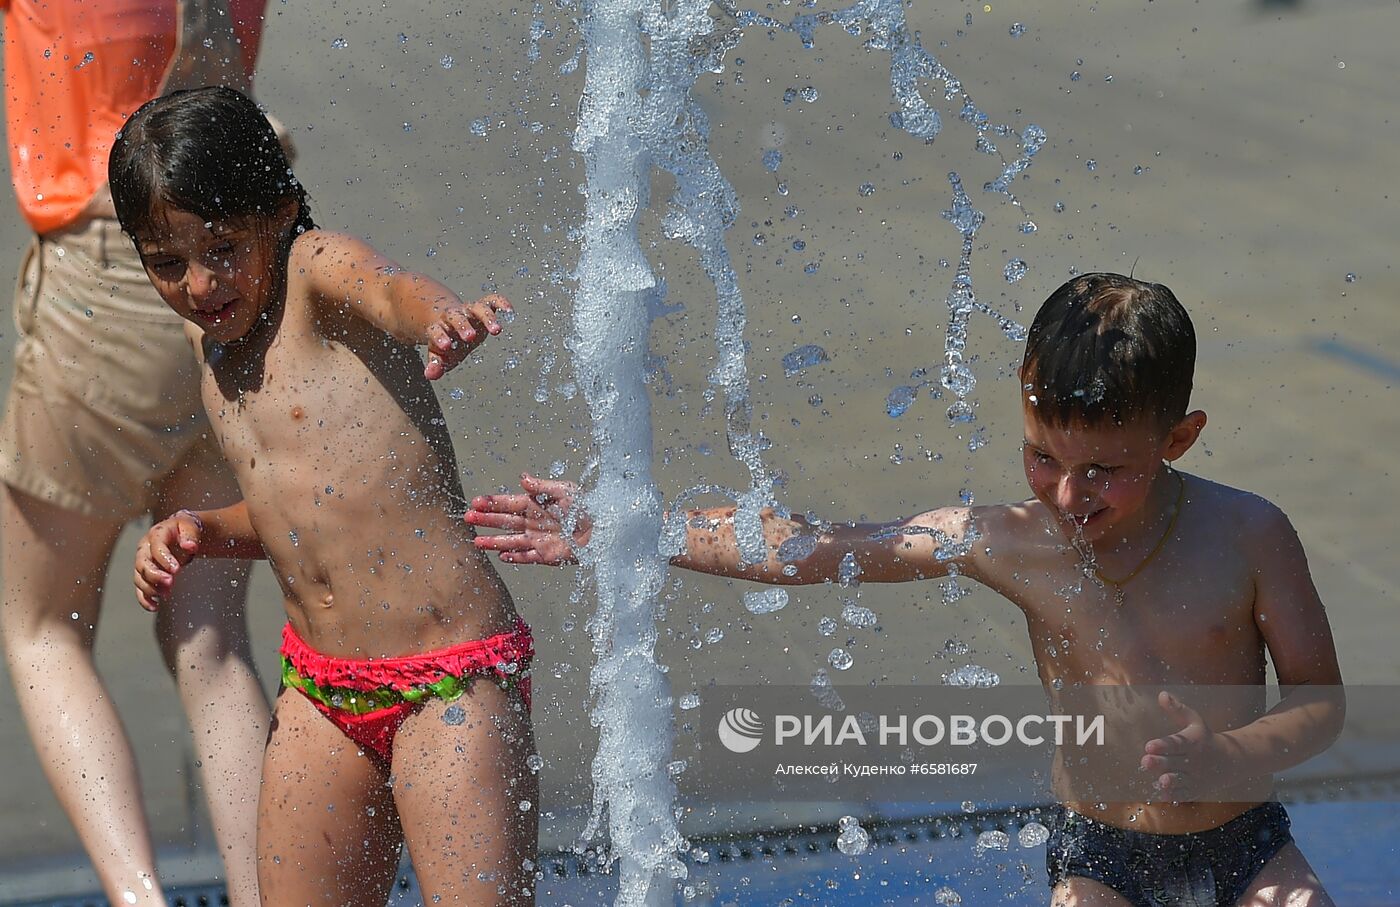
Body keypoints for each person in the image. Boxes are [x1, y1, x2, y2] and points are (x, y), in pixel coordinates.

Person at [466, 272, 1345, 907]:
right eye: (1043, 456)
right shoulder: (1010, 540)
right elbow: (809, 548)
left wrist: (1228, 757)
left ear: (1179, 438)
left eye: (1105, 471)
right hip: (1102, 853)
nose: (1069, 494)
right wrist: (634, 526)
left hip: (1244, 844)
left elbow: (1322, 701)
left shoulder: (1248, 535)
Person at [112, 86, 537, 906]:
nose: (199, 285)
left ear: (277, 213)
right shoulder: (217, 356)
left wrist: (440, 316)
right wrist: (202, 526)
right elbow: (291, 515)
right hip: (321, 690)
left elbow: (389, 287)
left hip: (449, 682)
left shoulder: (313, 271)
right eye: (166, 262)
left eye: (222, 248)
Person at [0, 3, 271, 904]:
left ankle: (138, 898)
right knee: (211, 635)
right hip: (242, 274)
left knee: (38, 623)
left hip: (118, 265)